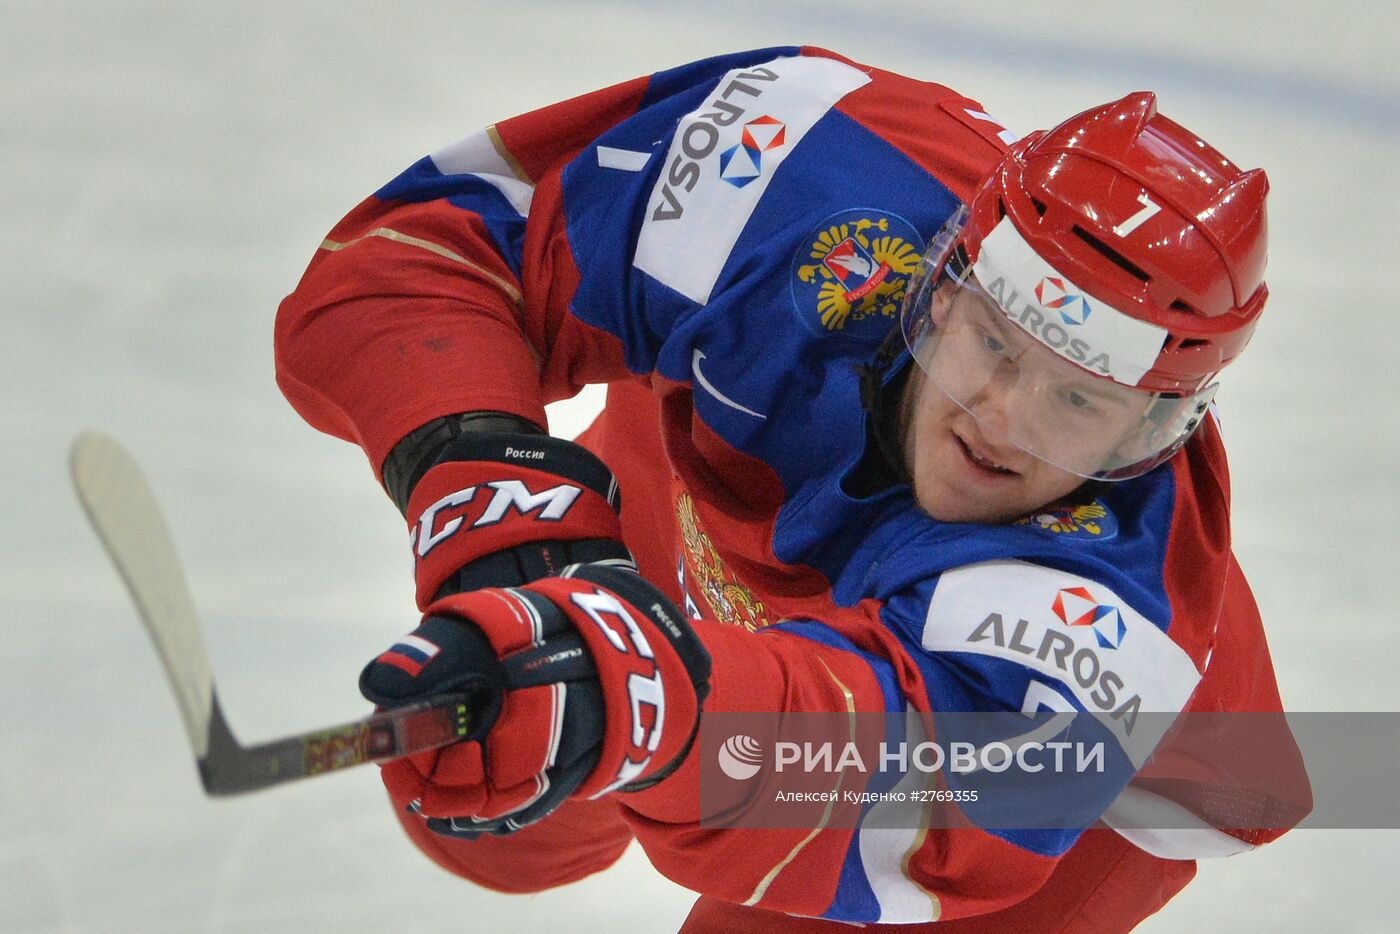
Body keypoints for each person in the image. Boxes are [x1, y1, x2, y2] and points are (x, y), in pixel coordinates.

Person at [275, 46, 1303, 933]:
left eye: (1075, 401)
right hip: (741, 502)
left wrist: (643, 707)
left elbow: (867, 788)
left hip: (1064, 794)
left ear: (1150, 433)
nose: (1001, 416)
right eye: (992, 341)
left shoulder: (1111, 607)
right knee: (494, 821)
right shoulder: (800, 170)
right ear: (942, 283)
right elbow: (415, 253)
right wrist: (493, 501)